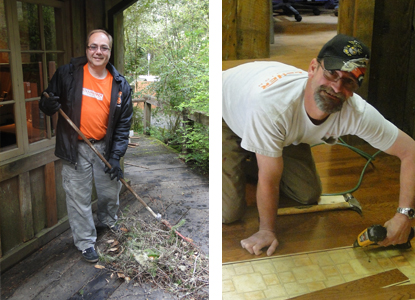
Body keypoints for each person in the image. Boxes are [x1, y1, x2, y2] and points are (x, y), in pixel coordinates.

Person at [222, 34, 415, 256]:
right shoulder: (271, 106)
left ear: (354, 88)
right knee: (228, 213)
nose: (336, 87)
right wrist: (266, 230)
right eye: (331, 73)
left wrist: (404, 216)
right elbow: (269, 178)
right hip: (227, 111)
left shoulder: (356, 113)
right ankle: (254, 151)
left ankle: (260, 151)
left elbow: (410, 151)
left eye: (348, 81)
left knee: (307, 194)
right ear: (313, 67)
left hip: (281, 129)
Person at [40, 29, 133, 263]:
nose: (98, 52)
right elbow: (48, 100)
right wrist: (47, 104)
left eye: (104, 47)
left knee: (110, 192)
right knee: (78, 197)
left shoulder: (121, 85)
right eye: (93, 46)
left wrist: (115, 157)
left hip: (104, 147)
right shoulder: (67, 74)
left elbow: (123, 126)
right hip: (74, 147)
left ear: (110, 51)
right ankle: (85, 242)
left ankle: (109, 222)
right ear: (86, 49)